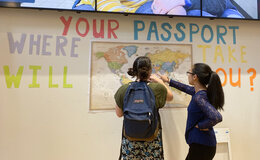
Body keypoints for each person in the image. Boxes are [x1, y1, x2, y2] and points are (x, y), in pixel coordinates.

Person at [156, 63, 224, 160]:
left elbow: (217, 117)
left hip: (202, 146)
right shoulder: (199, 92)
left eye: (189, 73)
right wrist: (168, 81)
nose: (187, 75)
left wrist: (201, 125)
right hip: (202, 144)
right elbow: (185, 88)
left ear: (195, 77)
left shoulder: (199, 97)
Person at [114, 56, 173, 159]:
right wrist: (159, 81)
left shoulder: (124, 89)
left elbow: (119, 114)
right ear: (150, 70)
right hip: (152, 139)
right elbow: (170, 97)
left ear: (134, 71)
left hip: (130, 140)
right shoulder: (157, 89)